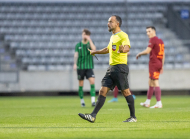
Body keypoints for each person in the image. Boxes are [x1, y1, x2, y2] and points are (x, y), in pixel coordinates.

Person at [78, 15, 137, 123]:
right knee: (102, 90)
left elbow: (127, 47)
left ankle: (133, 117)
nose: (108, 23)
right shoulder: (113, 36)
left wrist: (123, 50)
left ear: (117, 23)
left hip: (120, 67)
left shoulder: (123, 35)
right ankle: (92, 116)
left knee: (126, 92)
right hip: (112, 68)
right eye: (108, 21)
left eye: (110, 21)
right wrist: (94, 52)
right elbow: (107, 49)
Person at [136, 26, 165, 108]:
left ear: (154, 31)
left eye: (149, 31)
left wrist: (139, 54)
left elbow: (147, 51)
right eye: (146, 32)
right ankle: (147, 102)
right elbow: (163, 54)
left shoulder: (153, 40)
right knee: (150, 82)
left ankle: (159, 103)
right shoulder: (160, 41)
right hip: (158, 63)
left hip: (154, 63)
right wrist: (162, 65)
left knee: (155, 82)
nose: (148, 33)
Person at [73, 29, 96, 107]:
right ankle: (82, 101)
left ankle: (93, 101)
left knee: (92, 81)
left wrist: (90, 40)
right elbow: (76, 55)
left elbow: (94, 49)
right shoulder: (78, 45)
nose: (84, 36)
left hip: (89, 66)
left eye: (86, 34)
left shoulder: (90, 44)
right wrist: (75, 64)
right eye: (83, 34)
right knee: (81, 84)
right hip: (81, 67)